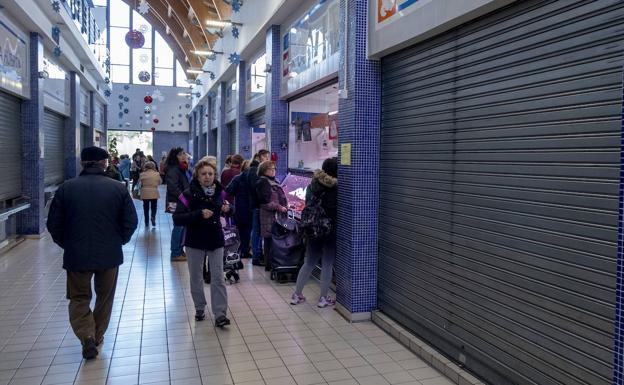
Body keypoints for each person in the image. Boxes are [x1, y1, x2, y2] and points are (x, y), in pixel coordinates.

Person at [46, 147, 138, 359]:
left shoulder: (66, 188)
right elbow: (131, 222)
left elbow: (53, 224)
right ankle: (96, 336)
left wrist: (68, 244)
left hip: (76, 255)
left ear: (83, 163)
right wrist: (118, 241)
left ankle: (86, 336)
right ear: (104, 163)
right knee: (105, 297)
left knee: (78, 297)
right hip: (109, 254)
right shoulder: (117, 188)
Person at [172, 159, 231, 327]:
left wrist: (229, 209)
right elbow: (177, 219)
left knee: (218, 277)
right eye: (203, 174)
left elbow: (229, 209)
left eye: (210, 174)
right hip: (194, 241)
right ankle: (199, 307)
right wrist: (198, 214)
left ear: (215, 176)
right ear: (197, 176)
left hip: (215, 240)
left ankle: (220, 313)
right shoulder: (188, 194)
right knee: (196, 277)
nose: (207, 177)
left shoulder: (221, 192)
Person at [291, 157, 338, 308]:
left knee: (309, 262)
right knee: (327, 263)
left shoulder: (314, 183)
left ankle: (297, 294)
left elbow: (307, 201)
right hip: (329, 228)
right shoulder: (336, 187)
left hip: (312, 227)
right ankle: (323, 298)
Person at [256, 160, 288, 271]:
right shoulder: (263, 182)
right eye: (271, 169)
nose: (273, 171)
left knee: (272, 240)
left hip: (275, 216)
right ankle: (269, 264)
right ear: (264, 171)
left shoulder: (273, 181)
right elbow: (264, 203)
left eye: (274, 168)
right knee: (269, 241)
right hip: (269, 217)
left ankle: (273, 263)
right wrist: (280, 207)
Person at [165, 147, 190, 261]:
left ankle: (179, 251)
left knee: (181, 227)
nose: (184, 155)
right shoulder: (174, 169)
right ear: (176, 157)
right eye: (181, 154)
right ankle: (175, 253)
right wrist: (184, 197)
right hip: (177, 202)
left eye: (184, 153)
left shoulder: (181, 168)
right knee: (178, 227)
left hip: (181, 201)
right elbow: (173, 187)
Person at [247, 150, 270, 266]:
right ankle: (256, 255)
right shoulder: (255, 171)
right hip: (257, 205)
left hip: (254, 204)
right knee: (257, 231)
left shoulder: (252, 169)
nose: (267, 159)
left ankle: (257, 254)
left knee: (256, 231)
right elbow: (256, 189)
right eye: (266, 156)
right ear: (260, 157)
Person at [226, 160, 252, 259]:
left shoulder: (237, 178)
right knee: (248, 230)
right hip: (250, 207)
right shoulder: (253, 178)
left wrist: (237, 193)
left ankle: (239, 249)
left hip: (239, 207)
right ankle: (245, 250)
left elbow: (229, 190)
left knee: (240, 230)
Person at [139, 162, 162, 227]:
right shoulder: (157, 174)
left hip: (145, 192)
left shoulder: (142, 174)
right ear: (153, 167)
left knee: (146, 207)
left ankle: (146, 221)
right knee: (154, 206)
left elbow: (139, 183)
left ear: (145, 167)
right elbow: (160, 182)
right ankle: (153, 217)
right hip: (154, 192)